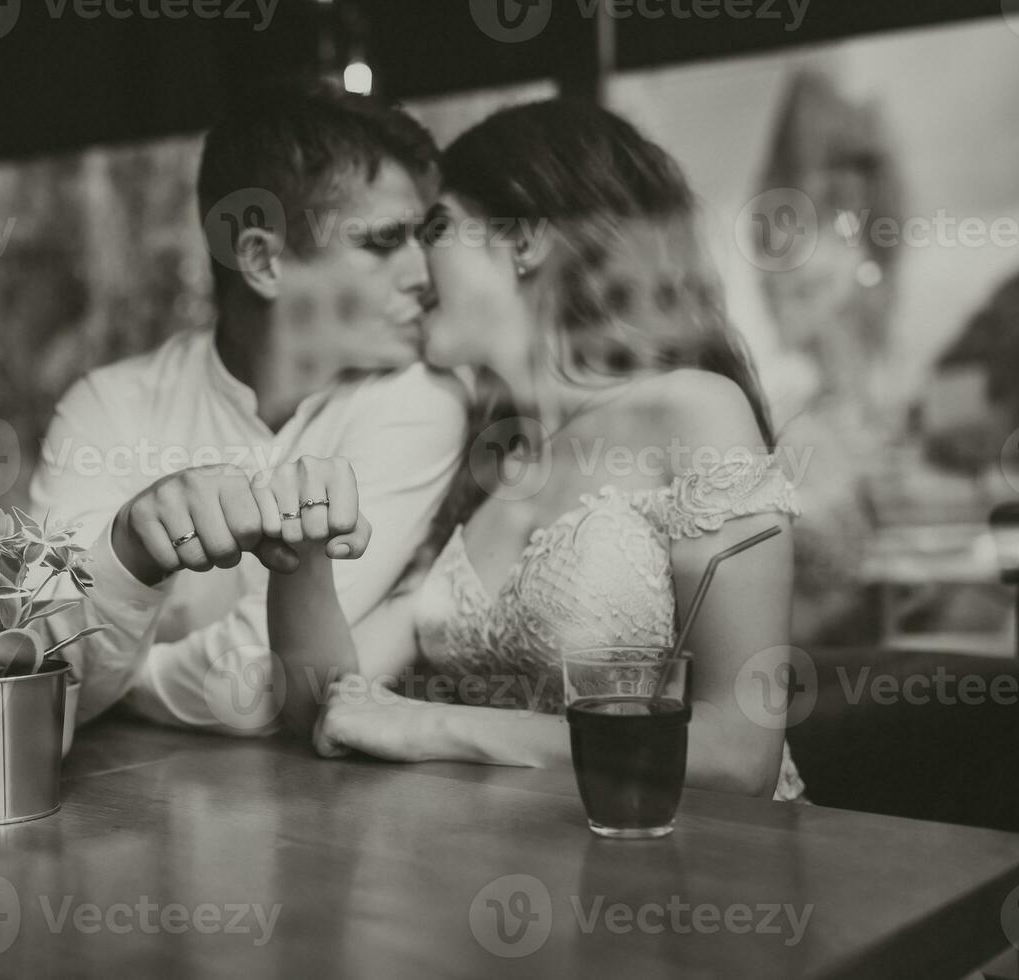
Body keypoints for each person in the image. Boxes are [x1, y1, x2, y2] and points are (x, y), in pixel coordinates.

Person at [259, 99, 806, 800]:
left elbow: (739, 757)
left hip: (712, 869)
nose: (415, 268)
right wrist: (297, 555)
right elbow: (324, 706)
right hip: (540, 871)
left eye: (436, 228)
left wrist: (435, 728)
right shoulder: (487, 464)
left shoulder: (692, 410)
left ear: (522, 241)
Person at [29, 81, 467, 734]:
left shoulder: (419, 402)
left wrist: (124, 677)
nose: (425, 275)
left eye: (423, 239)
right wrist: (131, 553)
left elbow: (269, 685)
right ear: (263, 261)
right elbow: (43, 675)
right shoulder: (107, 408)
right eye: (382, 243)